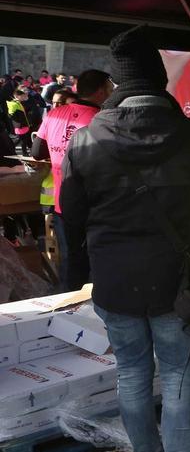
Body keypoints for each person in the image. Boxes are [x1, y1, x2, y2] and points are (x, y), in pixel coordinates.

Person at [59, 26, 190, 452]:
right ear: (158, 80)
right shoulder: (189, 136)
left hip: (114, 276)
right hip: (174, 278)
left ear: (118, 82)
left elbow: (72, 212)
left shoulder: (86, 139)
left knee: (131, 373)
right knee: (178, 375)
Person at [32, 72, 112, 290]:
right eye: (110, 88)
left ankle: (68, 303)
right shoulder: (103, 119)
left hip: (62, 202)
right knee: (98, 260)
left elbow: (37, 152)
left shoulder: (54, 114)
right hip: (95, 205)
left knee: (70, 260)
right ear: (101, 92)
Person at [7, 87, 32, 154]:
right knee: (22, 140)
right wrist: (19, 122)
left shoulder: (18, 103)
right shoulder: (14, 104)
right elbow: (11, 115)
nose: (23, 97)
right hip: (20, 125)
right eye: (22, 96)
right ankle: (24, 153)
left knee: (20, 139)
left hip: (22, 124)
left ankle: (10, 148)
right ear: (16, 96)